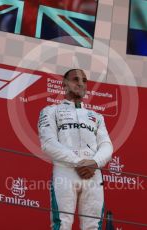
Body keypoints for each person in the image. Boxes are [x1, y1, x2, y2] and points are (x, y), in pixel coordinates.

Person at [38, 69, 113, 229]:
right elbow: (48, 143)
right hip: (65, 171)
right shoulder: (51, 111)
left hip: (93, 173)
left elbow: (106, 145)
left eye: (84, 80)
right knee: (62, 224)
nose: (80, 83)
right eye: (75, 79)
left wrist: (94, 162)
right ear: (64, 84)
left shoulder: (97, 116)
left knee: (93, 226)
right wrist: (79, 162)